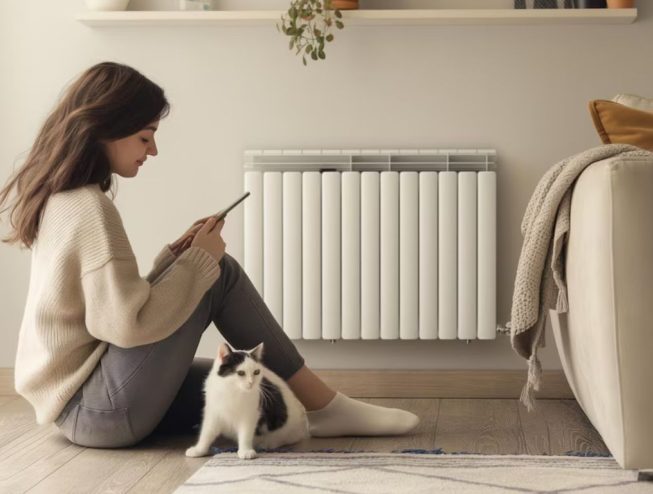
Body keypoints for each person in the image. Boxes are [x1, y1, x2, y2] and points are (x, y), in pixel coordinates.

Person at [0, 61, 420, 449]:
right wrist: (200, 262)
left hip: (86, 405)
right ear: (107, 127)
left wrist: (176, 259)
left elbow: (111, 308)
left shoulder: (65, 199)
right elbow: (125, 326)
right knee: (219, 272)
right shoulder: (90, 209)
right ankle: (327, 407)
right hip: (100, 410)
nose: (153, 151)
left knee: (256, 387)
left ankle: (316, 407)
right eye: (145, 137)